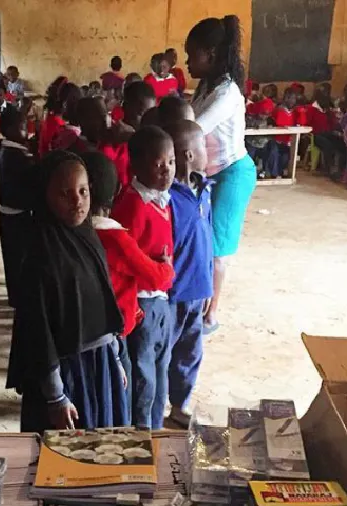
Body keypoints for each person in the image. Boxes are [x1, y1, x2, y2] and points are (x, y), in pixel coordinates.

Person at [7, 150, 126, 433]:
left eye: (83, 191)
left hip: (100, 363)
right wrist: (56, 397)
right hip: (66, 374)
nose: (77, 201)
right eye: (65, 194)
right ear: (45, 197)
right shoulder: (39, 254)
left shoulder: (89, 239)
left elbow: (105, 306)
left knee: (103, 444)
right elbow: (38, 332)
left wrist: (115, 359)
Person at [85, 151, 174, 427]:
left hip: (85, 331)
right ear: (116, 193)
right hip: (115, 330)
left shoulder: (75, 233)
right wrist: (167, 267)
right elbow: (154, 277)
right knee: (125, 388)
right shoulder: (116, 239)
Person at [186, 15, 257, 334]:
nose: (188, 62)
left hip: (231, 173)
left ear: (210, 54)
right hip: (210, 173)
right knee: (204, 241)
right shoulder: (206, 87)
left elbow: (192, 130)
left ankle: (211, 315)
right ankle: (199, 306)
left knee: (218, 250)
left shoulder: (227, 93)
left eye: (192, 55)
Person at [111, 126, 175, 430]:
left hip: (161, 299)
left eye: (171, 162)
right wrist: (161, 272)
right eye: (158, 164)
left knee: (161, 370)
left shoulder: (162, 199)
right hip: (142, 303)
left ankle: (156, 428)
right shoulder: (133, 205)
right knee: (143, 376)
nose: (167, 170)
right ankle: (141, 433)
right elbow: (128, 261)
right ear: (136, 165)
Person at [164, 119, 213, 428]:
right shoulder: (167, 198)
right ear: (189, 155)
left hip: (198, 290)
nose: (209, 151)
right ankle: (153, 408)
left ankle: (179, 404)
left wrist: (209, 284)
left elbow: (207, 240)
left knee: (191, 352)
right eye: (203, 146)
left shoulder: (204, 189)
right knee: (164, 352)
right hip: (173, 294)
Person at [0, 105, 34, 307]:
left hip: (9, 213)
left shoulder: (11, 150)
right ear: (11, 130)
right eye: (23, 126)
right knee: (18, 258)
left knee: (13, 258)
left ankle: (16, 296)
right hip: (16, 214)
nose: (27, 131)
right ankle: (18, 299)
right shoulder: (16, 156)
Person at [262, 88, 298, 179]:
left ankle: (280, 173)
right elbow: (272, 121)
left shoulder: (295, 112)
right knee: (274, 152)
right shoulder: (278, 109)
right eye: (290, 98)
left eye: (294, 99)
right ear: (285, 98)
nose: (292, 101)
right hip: (275, 139)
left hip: (287, 141)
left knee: (287, 156)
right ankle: (275, 174)